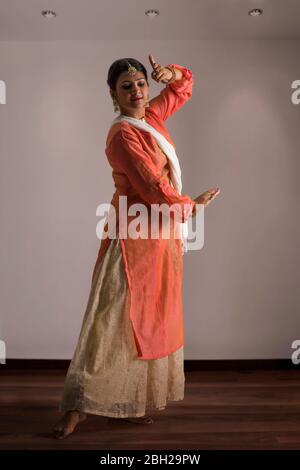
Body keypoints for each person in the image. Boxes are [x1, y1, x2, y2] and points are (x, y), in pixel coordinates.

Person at [53, 54, 220, 439]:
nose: (136, 91)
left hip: (160, 235)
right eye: (126, 86)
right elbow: (151, 186)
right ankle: (76, 408)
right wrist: (190, 206)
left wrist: (172, 73)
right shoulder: (124, 134)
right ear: (113, 94)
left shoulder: (152, 118)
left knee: (148, 319)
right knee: (110, 320)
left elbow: (183, 87)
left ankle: (123, 404)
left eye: (142, 83)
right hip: (132, 234)